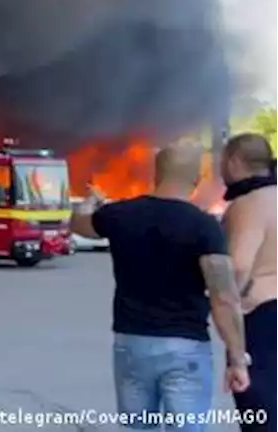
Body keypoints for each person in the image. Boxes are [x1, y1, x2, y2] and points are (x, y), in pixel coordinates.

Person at [71, 142, 248, 430]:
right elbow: (224, 297)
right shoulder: (203, 225)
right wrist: (237, 359)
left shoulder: (121, 214)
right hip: (185, 346)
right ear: (196, 180)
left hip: (131, 344)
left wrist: (91, 201)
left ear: (157, 174)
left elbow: (78, 224)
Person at [220, 132, 277, 429]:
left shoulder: (249, 204)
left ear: (234, 162)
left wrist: (231, 300)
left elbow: (239, 266)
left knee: (261, 411)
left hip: (264, 317)